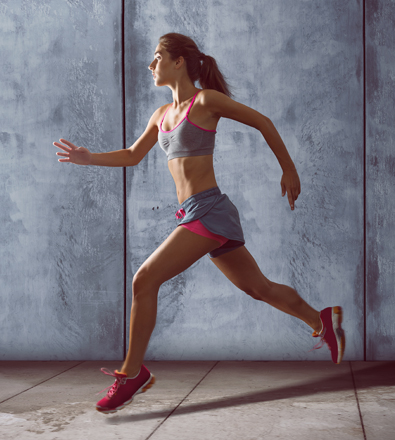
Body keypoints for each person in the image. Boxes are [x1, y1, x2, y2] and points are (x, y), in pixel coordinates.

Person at [53, 33, 345, 414]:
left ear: (179, 62)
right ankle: (322, 320)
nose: (150, 64)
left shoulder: (205, 101)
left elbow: (263, 122)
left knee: (144, 279)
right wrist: (88, 158)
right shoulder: (161, 115)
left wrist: (289, 169)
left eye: (158, 57)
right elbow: (131, 155)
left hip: (209, 211)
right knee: (258, 288)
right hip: (194, 213)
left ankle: (132, 373)